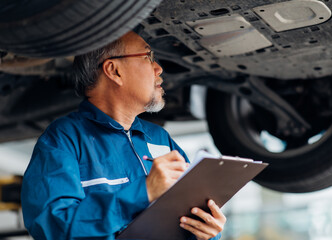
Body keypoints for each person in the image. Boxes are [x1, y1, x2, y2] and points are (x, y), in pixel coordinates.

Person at [21, 31, 226, 240]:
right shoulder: (64, 139)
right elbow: (52, 228)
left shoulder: (159, 138)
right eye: (148, 57)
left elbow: (186, 214)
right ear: (114, 70)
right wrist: (143, 192)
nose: (158, 68)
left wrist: (207, 231)